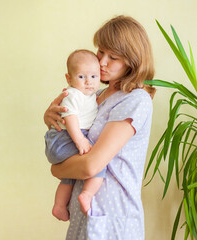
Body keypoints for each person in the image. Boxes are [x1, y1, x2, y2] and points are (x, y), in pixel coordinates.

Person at [44, 15, 155, 240]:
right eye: (101, 51)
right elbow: (68, 134)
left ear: (132, 61)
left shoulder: (135, 100)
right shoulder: (94, 96)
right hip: (83, 212)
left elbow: (90, 165)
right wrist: (49, 118)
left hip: (114, 215)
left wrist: (57, 169)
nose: (102, 62)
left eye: (113, 57)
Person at [44, 49, 105, 221]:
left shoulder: (91, 95)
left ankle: (59, 206)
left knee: (69, 176)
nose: (88, 82)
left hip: (63, 139)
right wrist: (80, 140)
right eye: (81, 77)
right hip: (65, 138)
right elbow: (69, 117)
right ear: (68, 79)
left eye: (94, 76)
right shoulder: (73, 94)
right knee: (100, 162)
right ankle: (87, 194)